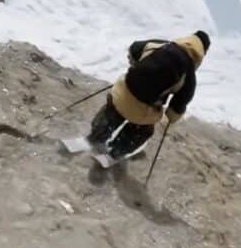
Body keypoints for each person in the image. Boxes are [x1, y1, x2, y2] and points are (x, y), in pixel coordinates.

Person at [83, 31, 209, 166]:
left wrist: (137, 64)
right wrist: (172, 116)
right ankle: (116, 151)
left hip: (123, 91)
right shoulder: (189, 76)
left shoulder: (161, 45)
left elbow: (134, 48)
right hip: (143, 109)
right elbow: (177, 108)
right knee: (142, 129)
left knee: (114, 110)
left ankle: (96, 136)